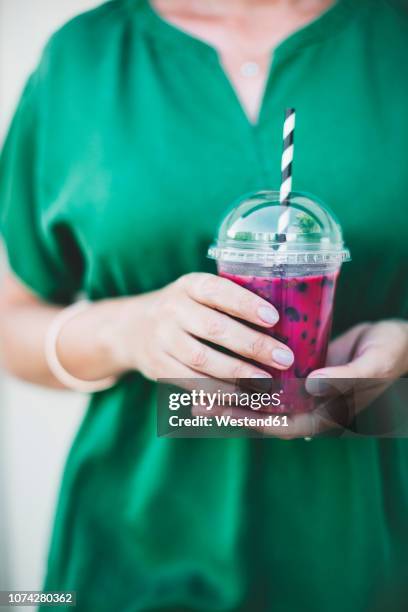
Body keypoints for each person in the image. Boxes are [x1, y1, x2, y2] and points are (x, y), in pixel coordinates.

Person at [1, 0, 408, 610]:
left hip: (370, 547)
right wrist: (126, 332)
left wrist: (401, 351)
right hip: (134, 546)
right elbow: (12, 321)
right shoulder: (82, 59)